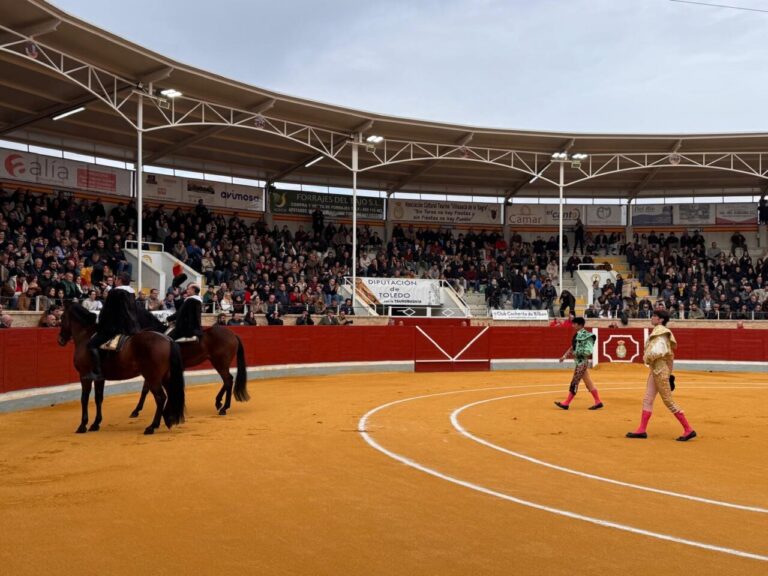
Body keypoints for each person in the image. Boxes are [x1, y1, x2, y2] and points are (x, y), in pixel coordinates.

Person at [626, 309, 696, 441]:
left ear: (661, 320)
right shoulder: (659, 332)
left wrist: (647, 358)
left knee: (668, 401)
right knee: (648, 399)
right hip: (655, 370)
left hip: (660, 371)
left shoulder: (662, 334)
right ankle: (642, 430)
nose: (651, 318)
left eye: (654, 316)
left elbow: (659, 351)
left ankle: (688, 429)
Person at [86, 272, 140, 380]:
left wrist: (100, 323)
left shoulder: (115, 293)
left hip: (116, 327)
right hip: (132, 327)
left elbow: (107, 312)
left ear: (119, 280)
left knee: (91, 345)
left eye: (116, 279)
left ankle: (98, 372)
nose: (115, 281)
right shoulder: (131, 293)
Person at [555, 317, 603, 410]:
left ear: (580, 325)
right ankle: (598, 402)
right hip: (579, 362)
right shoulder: (577, 335)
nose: (573, 325)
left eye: (574, 324)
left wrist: (577, 353)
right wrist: (565, 356)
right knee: (589, 383)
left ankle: (566, 403)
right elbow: (573, 347)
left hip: (582, 362)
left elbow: (588, 351)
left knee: (574, 382)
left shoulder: (587, 336)